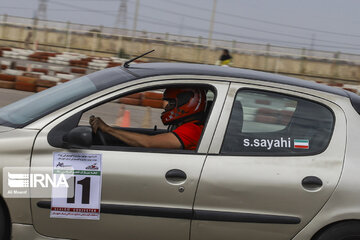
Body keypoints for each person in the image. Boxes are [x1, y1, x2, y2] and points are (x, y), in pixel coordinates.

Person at [90, 87, 207, 150]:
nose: (166, 107)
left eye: (171, 103)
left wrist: (108, 129)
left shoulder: (192, 130)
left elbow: (148, 143)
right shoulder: (186, 127)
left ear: (187, 103)